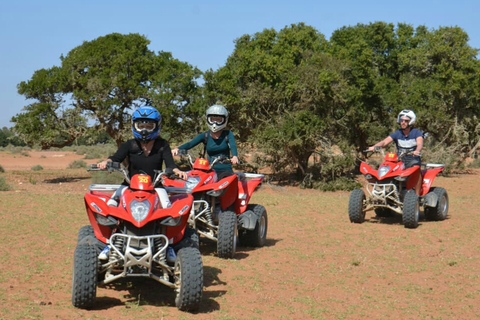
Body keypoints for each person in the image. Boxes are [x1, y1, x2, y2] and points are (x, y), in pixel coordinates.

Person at [97, 105, 188, 208]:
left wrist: (178, 171)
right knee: (111, 205)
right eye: (141, 126)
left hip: (155, 187)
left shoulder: (163, 145)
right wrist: (106, 162)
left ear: (157, 126)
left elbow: (170, 164)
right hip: (129, 185)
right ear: (134, 126)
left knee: (167, 208)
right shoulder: (129, 144)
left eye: (149, 126)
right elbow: (116, 157)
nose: (144, 130)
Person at [172, 104, 239, 179]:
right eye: (213, 119)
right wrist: (177, 149)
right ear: (208, 119)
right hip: (209, 170)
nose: (215, 123)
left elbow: (233, 145)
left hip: (225, 170)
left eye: (219, 120)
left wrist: (234, 156)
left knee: (225, 187)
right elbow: (190, 144)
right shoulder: (205, 135)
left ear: (224, 120)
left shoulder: (228, 134)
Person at [368, 109, 424, 195]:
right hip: (400, 159)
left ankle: (417, 196)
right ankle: (387, 192)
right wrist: (375, 147)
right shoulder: (397, 133)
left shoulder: (416, 133)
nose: (403, 122)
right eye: (401, 120)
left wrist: (417, 150)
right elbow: (385, 142)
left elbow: (419, 143)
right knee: (388, 168)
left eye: (406, 121)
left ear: (411, 122)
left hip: (413, 159)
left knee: (416, 169)